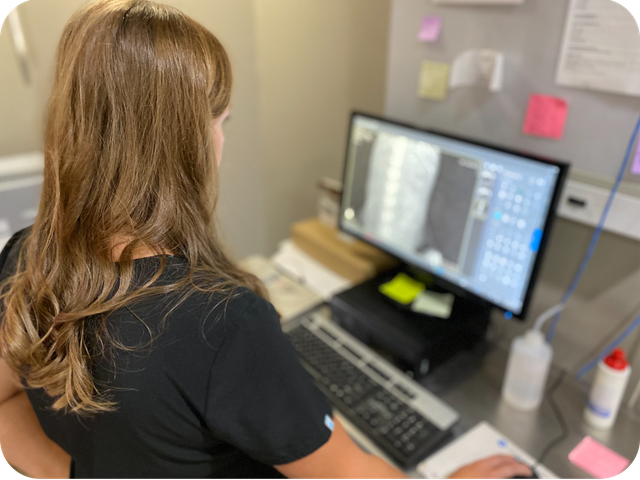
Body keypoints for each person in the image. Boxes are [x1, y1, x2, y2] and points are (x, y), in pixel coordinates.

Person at [0, 1, 534, 478]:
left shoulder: (25, 257)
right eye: (220, 121)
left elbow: (4, 403)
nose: (222, 141)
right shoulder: (220, 324)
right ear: (183, 144)